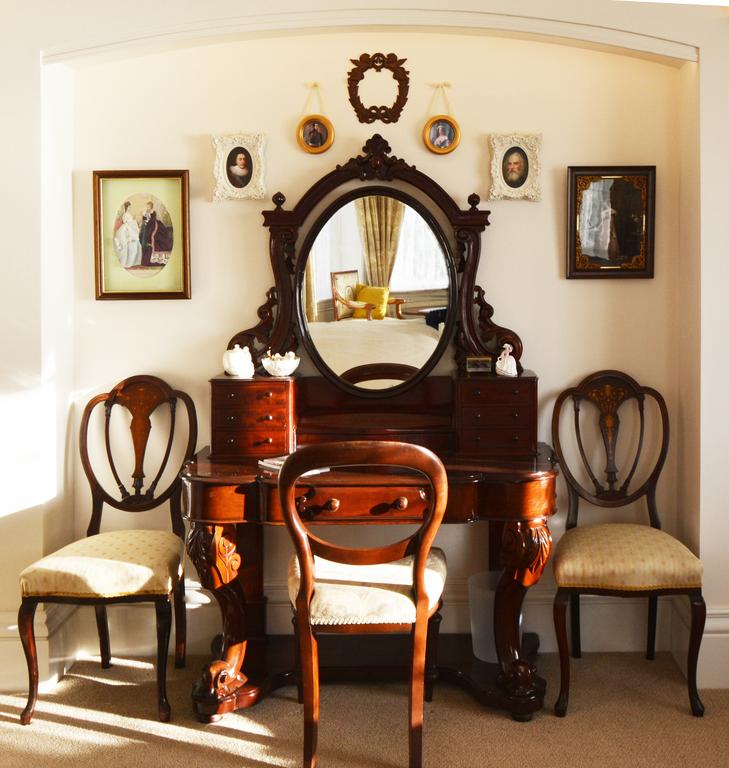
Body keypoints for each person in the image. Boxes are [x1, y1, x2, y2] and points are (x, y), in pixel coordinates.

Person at [139, 200, 173, 266]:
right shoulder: (147, 212)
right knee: (144, 234)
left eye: (148, 207)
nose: (147, 208)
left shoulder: (153, 212)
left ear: (151, 207)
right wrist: (144, 218)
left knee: (152, 235)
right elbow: (145, 219)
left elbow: (152, 220)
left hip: (153, 225)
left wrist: (147, 221)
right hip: (148, 225)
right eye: (147, 206)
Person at [113, 200, 142, 268]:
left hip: (131, 227)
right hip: (127, 228)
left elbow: (131, 221)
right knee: (129, 243)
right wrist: (131, 223)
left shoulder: (129, 214)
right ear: (127, 207)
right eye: (129, 207)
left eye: (130, 207)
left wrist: (133, 222)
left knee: (136, 243)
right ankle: (128, 261)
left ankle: (134, 261)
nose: (130, 208)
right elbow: (126, 222)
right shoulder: (125, 214)